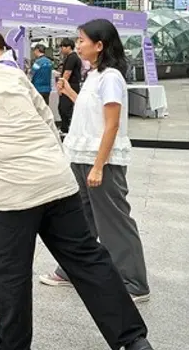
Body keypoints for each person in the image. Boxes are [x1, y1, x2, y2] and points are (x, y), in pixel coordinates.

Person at [0, 13, 153, 350]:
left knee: (10, 276)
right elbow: (45, 121)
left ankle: (9, 344)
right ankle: (133, 341)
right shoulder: (13, 78)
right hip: (57, 182)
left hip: (8, 198)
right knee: (88, 259)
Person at [39, 19, 150, 303]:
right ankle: (71, 270)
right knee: (82, 219)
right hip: (81, 156)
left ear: (99, 45)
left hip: (101, 160)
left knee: (113, 220)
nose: (77, 45)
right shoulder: (94, 75)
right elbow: (92, 112)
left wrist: (99, 166)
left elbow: (111, 125)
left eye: (81, 40)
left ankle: (133, 281)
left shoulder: (111, 76)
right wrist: (69, 93)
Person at [58, 38, 82, 133]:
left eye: (62, 47)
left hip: (70, 85)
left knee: (65, 108)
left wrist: (61, 86)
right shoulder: (71, 57)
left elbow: (67, 73)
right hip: (71, 85)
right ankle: (66, 127)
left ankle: (67, 128)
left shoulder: (72, 57)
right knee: (64, 107)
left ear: (68, 47)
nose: (61, 50)